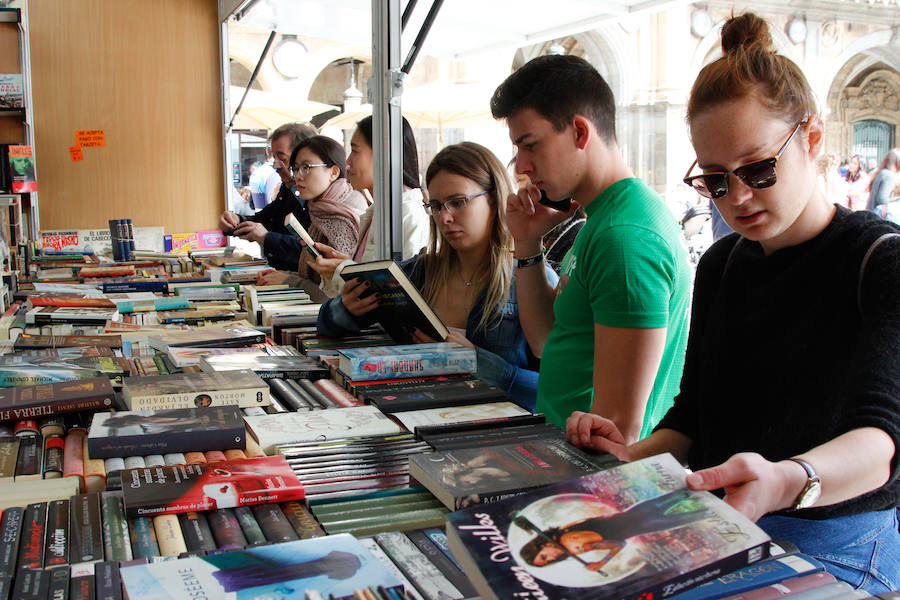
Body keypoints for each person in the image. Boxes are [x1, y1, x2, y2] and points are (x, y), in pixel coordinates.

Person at [567, 13, 899, 593]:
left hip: (839, 537)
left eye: (758, 169)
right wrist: (627, 458)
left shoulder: (877, 260)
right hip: (719, 522)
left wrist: (787, 480)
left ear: (813, 138)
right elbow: (694, 420)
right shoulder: (722, 264)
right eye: (716, 180)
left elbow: (882, 442)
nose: (738, 198)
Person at [490, 55, 691, 441]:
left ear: (580, 132)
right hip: (566, 453)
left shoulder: (624, 237)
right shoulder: (604, 217)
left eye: (530, 145)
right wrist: (528, 243)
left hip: (589, 472)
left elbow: (618, 427)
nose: (522, 167)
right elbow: (547, 339)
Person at [317, 142, 558, 410]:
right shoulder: (419, 271)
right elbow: (326, 325)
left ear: (495, 197)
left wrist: (478, 363)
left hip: (498, 435)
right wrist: (346, 308)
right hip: (415, 419)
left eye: (458, 202)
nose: (444, 217)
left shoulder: (531, 278)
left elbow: (558, 389)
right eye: (435, 205)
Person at [295, 115, 431, 296]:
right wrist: (343, 267)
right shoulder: (375, 213)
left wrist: (342, 269)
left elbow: (402, 294)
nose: (348, 162)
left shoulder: (408, 215)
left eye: (355, 150)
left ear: (384, 154)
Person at [518, 490, 709, 571]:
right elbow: (604, 527)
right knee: (689, 494)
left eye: (544, 557)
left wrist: (602, 561)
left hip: (644, 520)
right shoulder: (562, 531)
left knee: (699, 512)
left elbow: (618, 543)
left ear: (540, 547)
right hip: (639, 512)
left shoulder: (574, 545)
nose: (551, 558)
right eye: (547, 562)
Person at [218, 122, 317, 271]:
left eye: (282, 159)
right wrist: (236, 221)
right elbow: (264, 218)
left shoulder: (318, 199)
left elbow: (312, 249)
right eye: (274, 159)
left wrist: (266, 237)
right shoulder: (288, 189)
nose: (276, 166)